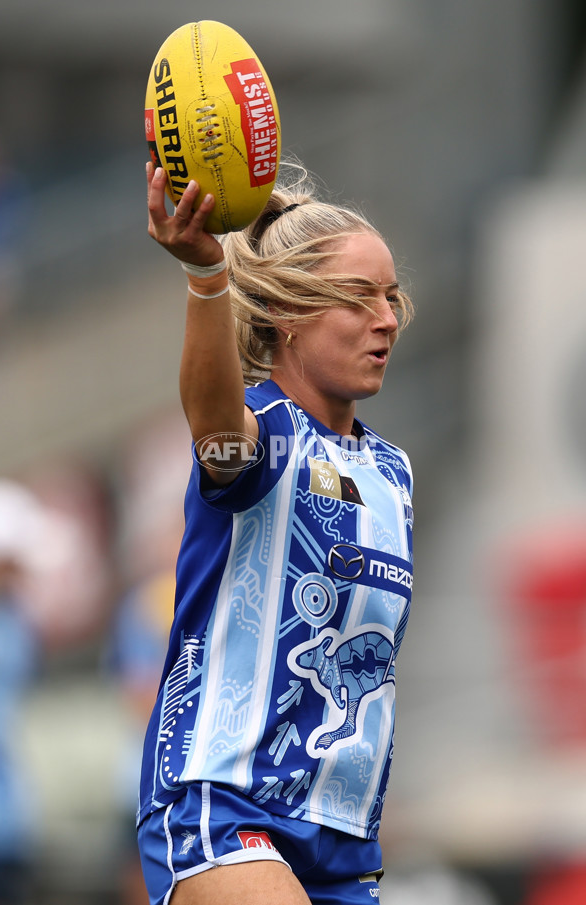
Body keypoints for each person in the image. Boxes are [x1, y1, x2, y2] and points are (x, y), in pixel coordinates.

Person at [137, 160, 415, 905]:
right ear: (290, 311)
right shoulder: (260, 437)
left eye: (391, 296)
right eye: (359, 299)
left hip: (340, 837)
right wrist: (205, 277)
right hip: (225, 805)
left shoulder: (395, 474)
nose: (387, 318)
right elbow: (214, 429)